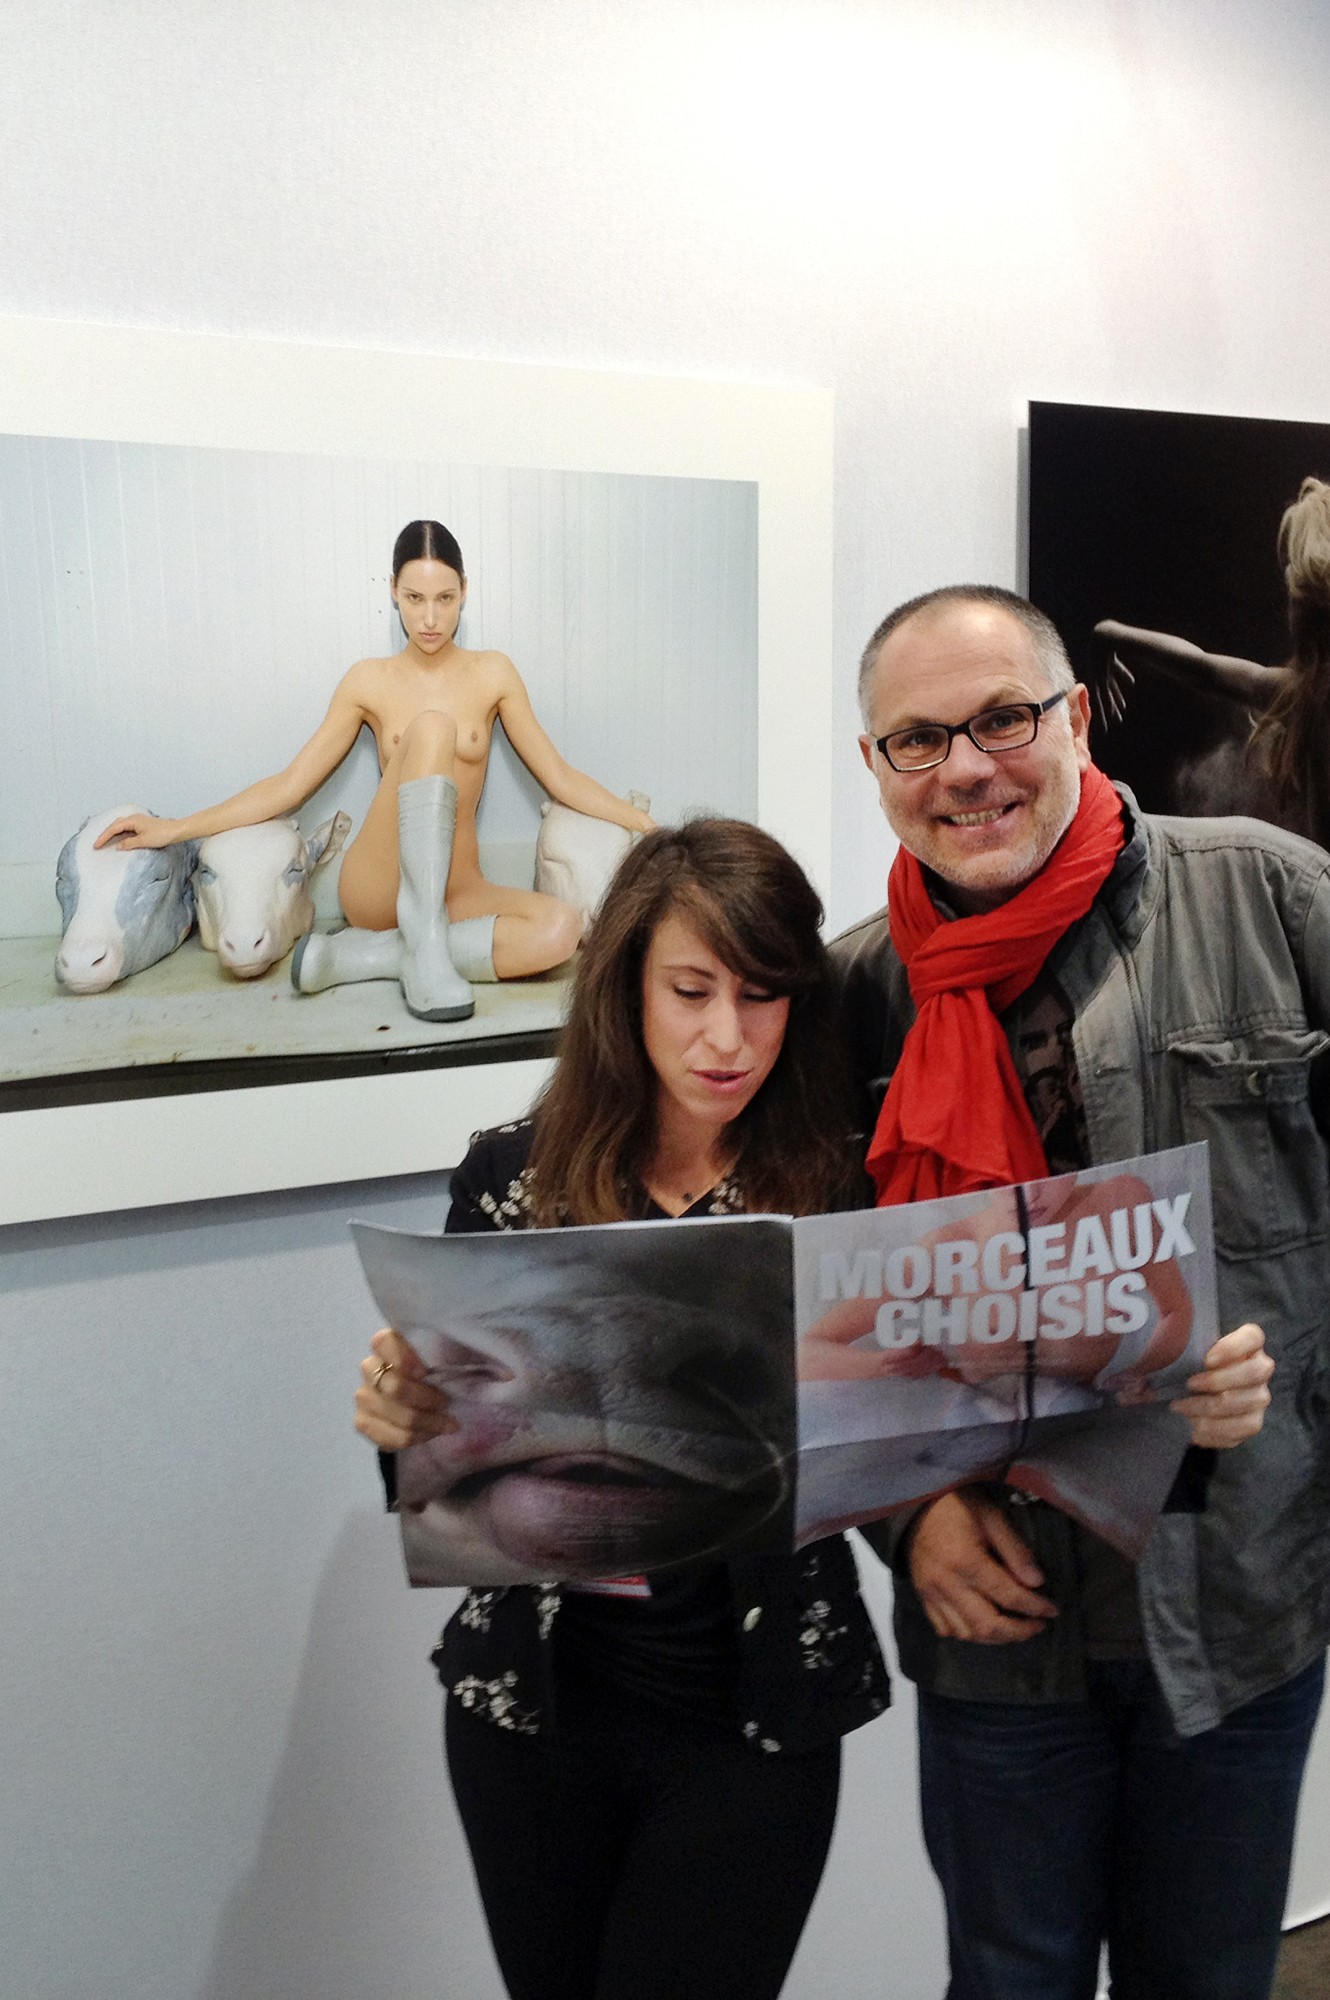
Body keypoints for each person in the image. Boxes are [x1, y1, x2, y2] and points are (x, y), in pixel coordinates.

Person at [840, 582, 1304, 2000]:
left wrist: (1284, 1369)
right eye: (918, 739)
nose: (965, 769)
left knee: (1206, 1976)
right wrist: (910, 1516)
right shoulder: (853, 994)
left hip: (1234, 1595)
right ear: (875, 765)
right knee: (1009, 1978)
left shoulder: (1268, 896)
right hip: (997, 1619)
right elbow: (826, 1314)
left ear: (1077, 717)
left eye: (1002, 719)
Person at [354, 818, 890, 2000]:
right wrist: (402, 1422)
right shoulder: (514, 1176)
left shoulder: (841, 1186)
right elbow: (440, 1484)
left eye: (761, 995)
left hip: (752, 1719)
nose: (726, 1037)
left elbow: (896, 1449)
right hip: (532, 1713)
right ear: (626, 988)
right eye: (690, 991)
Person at [95, 520, 654, 1021]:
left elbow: (559, 777)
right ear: (392, 591)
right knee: (432, 728)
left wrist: (644, 825)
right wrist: (175, 829)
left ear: (465, 592)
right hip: (381, 886)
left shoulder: (494, 674)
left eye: (445, 598)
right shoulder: (368, 681)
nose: (430, 618)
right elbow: (289, 786)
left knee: (560, 932)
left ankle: (362, 957)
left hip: (459, 889)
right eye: (414, 598)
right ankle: (422, 950)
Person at [1094, 475, 1330, 849]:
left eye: (1295, 597)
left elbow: (1204, 669)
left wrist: (1115, 633)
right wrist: (1115, 633)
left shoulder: (1302, 694)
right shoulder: (1303, 693)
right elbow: (1204, 669)